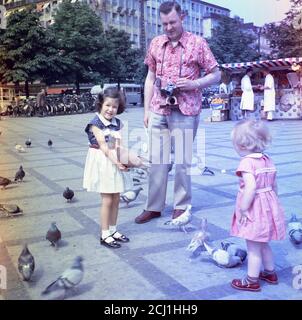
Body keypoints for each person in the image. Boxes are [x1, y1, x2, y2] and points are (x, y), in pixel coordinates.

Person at [134, 1, 221, 224]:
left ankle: (181, 207)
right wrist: (146, 109)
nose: (169, 27)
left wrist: (195, 84)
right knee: (156, 160)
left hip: (186, 109)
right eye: (164, 24)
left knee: (182, 161)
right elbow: (150, 77)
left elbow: (216, 74)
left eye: (172, 22)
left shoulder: (198, 43)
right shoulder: (155, 43)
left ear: (182, 17)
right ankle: (153, 206)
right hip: (158, 109)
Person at [230, 120, 286, 292]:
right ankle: (270, 273)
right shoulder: (267, 160)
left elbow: (251, 187)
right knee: (263, 243)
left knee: (253, 247)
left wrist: (244, 208)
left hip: (255, 207)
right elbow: (274, 185)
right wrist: (274, 202)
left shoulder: (247, 163)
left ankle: (251, 280)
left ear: (241, 144)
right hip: (269, 204)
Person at [83, 87, 142, 249]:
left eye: (114, 107)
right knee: (107, 199)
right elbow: (103, 146)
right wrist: (117, 163)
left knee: (116, 197)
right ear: (101, 104)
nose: (110, 109)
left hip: (114, 159)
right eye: (107, 105)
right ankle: (104, 234)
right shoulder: (95, 123)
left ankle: (113, 230)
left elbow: (119, 146)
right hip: (102, 161)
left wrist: (127, 161)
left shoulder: (118, 123)